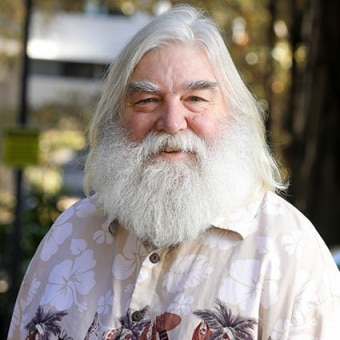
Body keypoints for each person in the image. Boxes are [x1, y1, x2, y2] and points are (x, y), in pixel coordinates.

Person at [7, 4, 340, 340]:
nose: (171, 122)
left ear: (234, 114)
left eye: (195, 98)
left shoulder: (290, 253)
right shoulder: (69, 234)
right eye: (147, 100)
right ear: (114, 119)